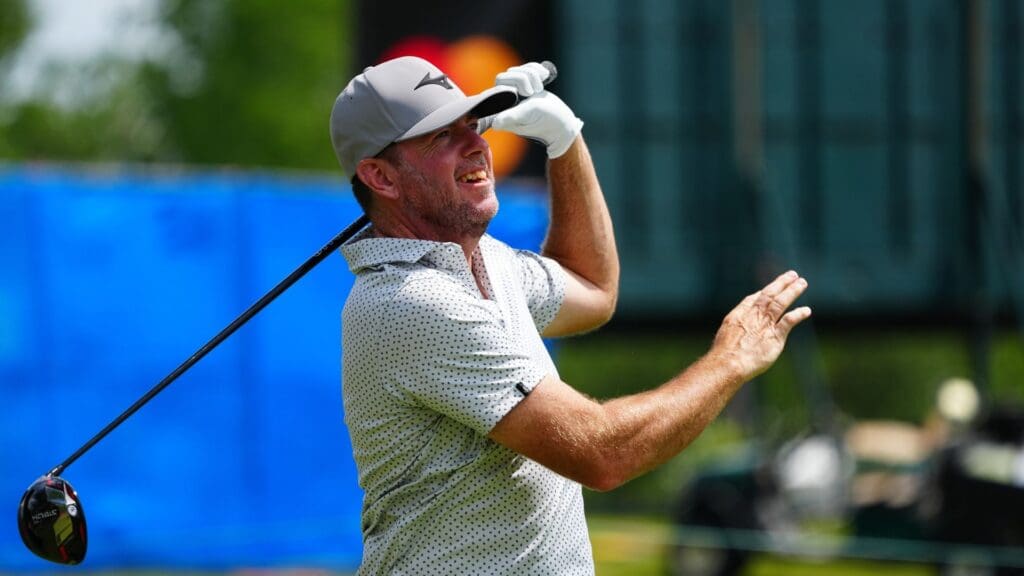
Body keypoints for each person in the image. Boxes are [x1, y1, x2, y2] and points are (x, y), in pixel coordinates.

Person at [329, 56, 811, 575]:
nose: (475, 145)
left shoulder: (488, 261)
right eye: (439, 137)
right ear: (380, 176)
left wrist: (565, 144)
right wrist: (729, 361)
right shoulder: (410, 302)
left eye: (471, 124)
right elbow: (602, 453)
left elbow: (593, 288)